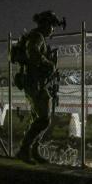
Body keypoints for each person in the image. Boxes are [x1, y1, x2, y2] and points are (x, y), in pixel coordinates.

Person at [12, 10, 65, 164]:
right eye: (52, 26)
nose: (53, 30)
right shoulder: (37, 37)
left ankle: (33, 150)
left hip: (35, 82)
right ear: (46, 25)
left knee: (38, 117)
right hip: (34, 82)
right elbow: (33, 53)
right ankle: (24, 149)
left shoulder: (35, 35)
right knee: (44, 119)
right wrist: (49, 64)